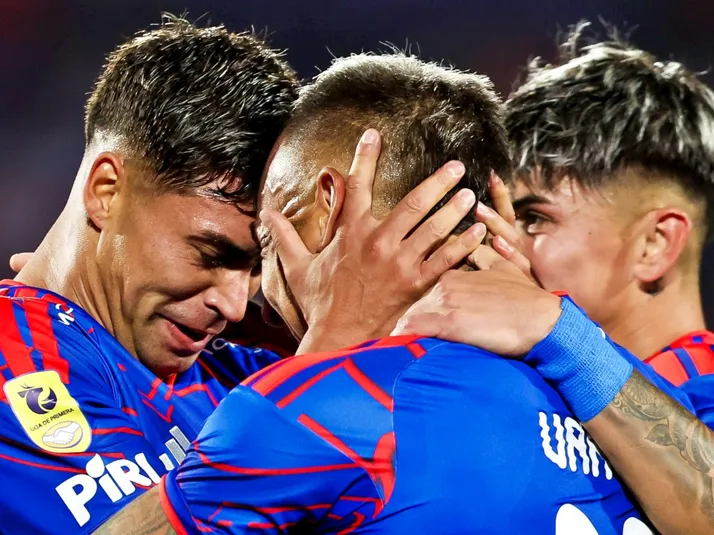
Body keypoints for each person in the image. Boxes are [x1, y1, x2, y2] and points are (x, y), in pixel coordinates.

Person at [118, 53, 689, 535]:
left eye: (269, 240)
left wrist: (313, 372)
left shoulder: (309, 414)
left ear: (330, 204)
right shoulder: (634, 404)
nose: (259, 299)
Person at [0, 19, 482, 534]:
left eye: (256, 267)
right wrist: (332, 356)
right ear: (106, 191)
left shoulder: (238, 373)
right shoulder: (15, 360)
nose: (234, 306)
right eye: (210, 254)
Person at [478, 22, 714, 386]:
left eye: (534, 218)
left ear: (654, 244)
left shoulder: (700, 401)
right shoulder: (541, 387)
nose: (501, 242)